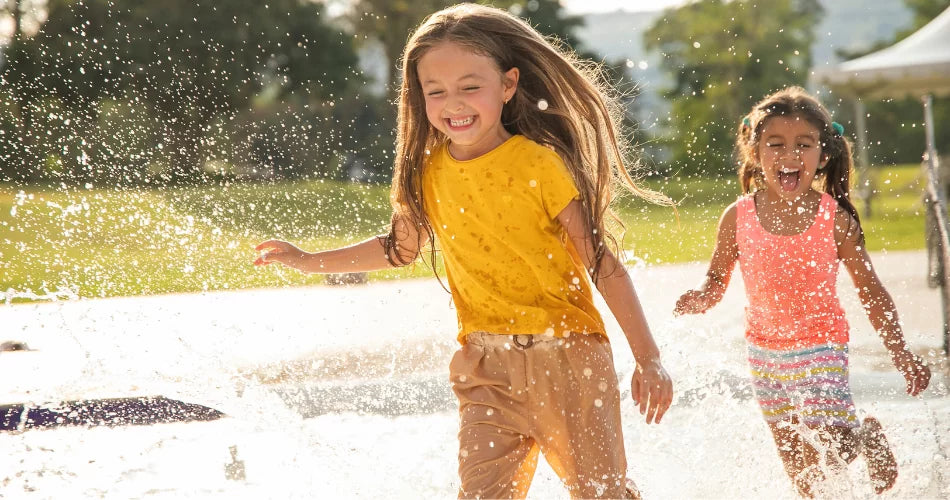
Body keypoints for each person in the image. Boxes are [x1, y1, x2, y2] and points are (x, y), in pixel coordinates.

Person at [254, 4, 673, 498]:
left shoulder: (538, 165)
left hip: (569, 362)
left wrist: (648, 358)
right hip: (484, 368)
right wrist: (308, 260)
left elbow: (602, 264)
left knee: (602, 494)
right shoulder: (426, 170)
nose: (454, 102)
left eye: (470, 86)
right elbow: (398, 249)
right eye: (436, 91)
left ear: (508, 85)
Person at [674, 86, 932, 497]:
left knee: (836, 446)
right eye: (775, 144)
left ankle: (864, 438)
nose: (789, 155)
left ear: (823, 155)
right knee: (803, 476)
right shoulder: (737, 216)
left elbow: (871, 290)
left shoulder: (834, 220)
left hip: (821, 345)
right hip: (764, 355)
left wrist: (900, 352)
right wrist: (702, 296)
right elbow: (717, 277)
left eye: (803, 145)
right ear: (755, 152)